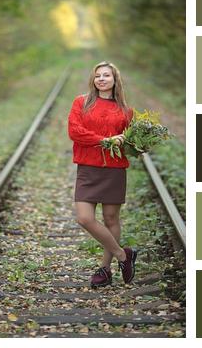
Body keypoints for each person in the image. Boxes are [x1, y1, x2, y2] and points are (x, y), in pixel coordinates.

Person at [67, 61, 137, 288]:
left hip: (114, 170)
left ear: (115, 80)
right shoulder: (81, 102)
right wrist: (103, 141)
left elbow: (130, 142)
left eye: (107, 75)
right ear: (93, 80)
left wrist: (138, 143)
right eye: (98, 76)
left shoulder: (126, 111)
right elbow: (75, 132)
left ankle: (105, 270)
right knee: (84, 218)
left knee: (110, 219)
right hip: (88, 168)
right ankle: (123, 256)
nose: (102, 79)